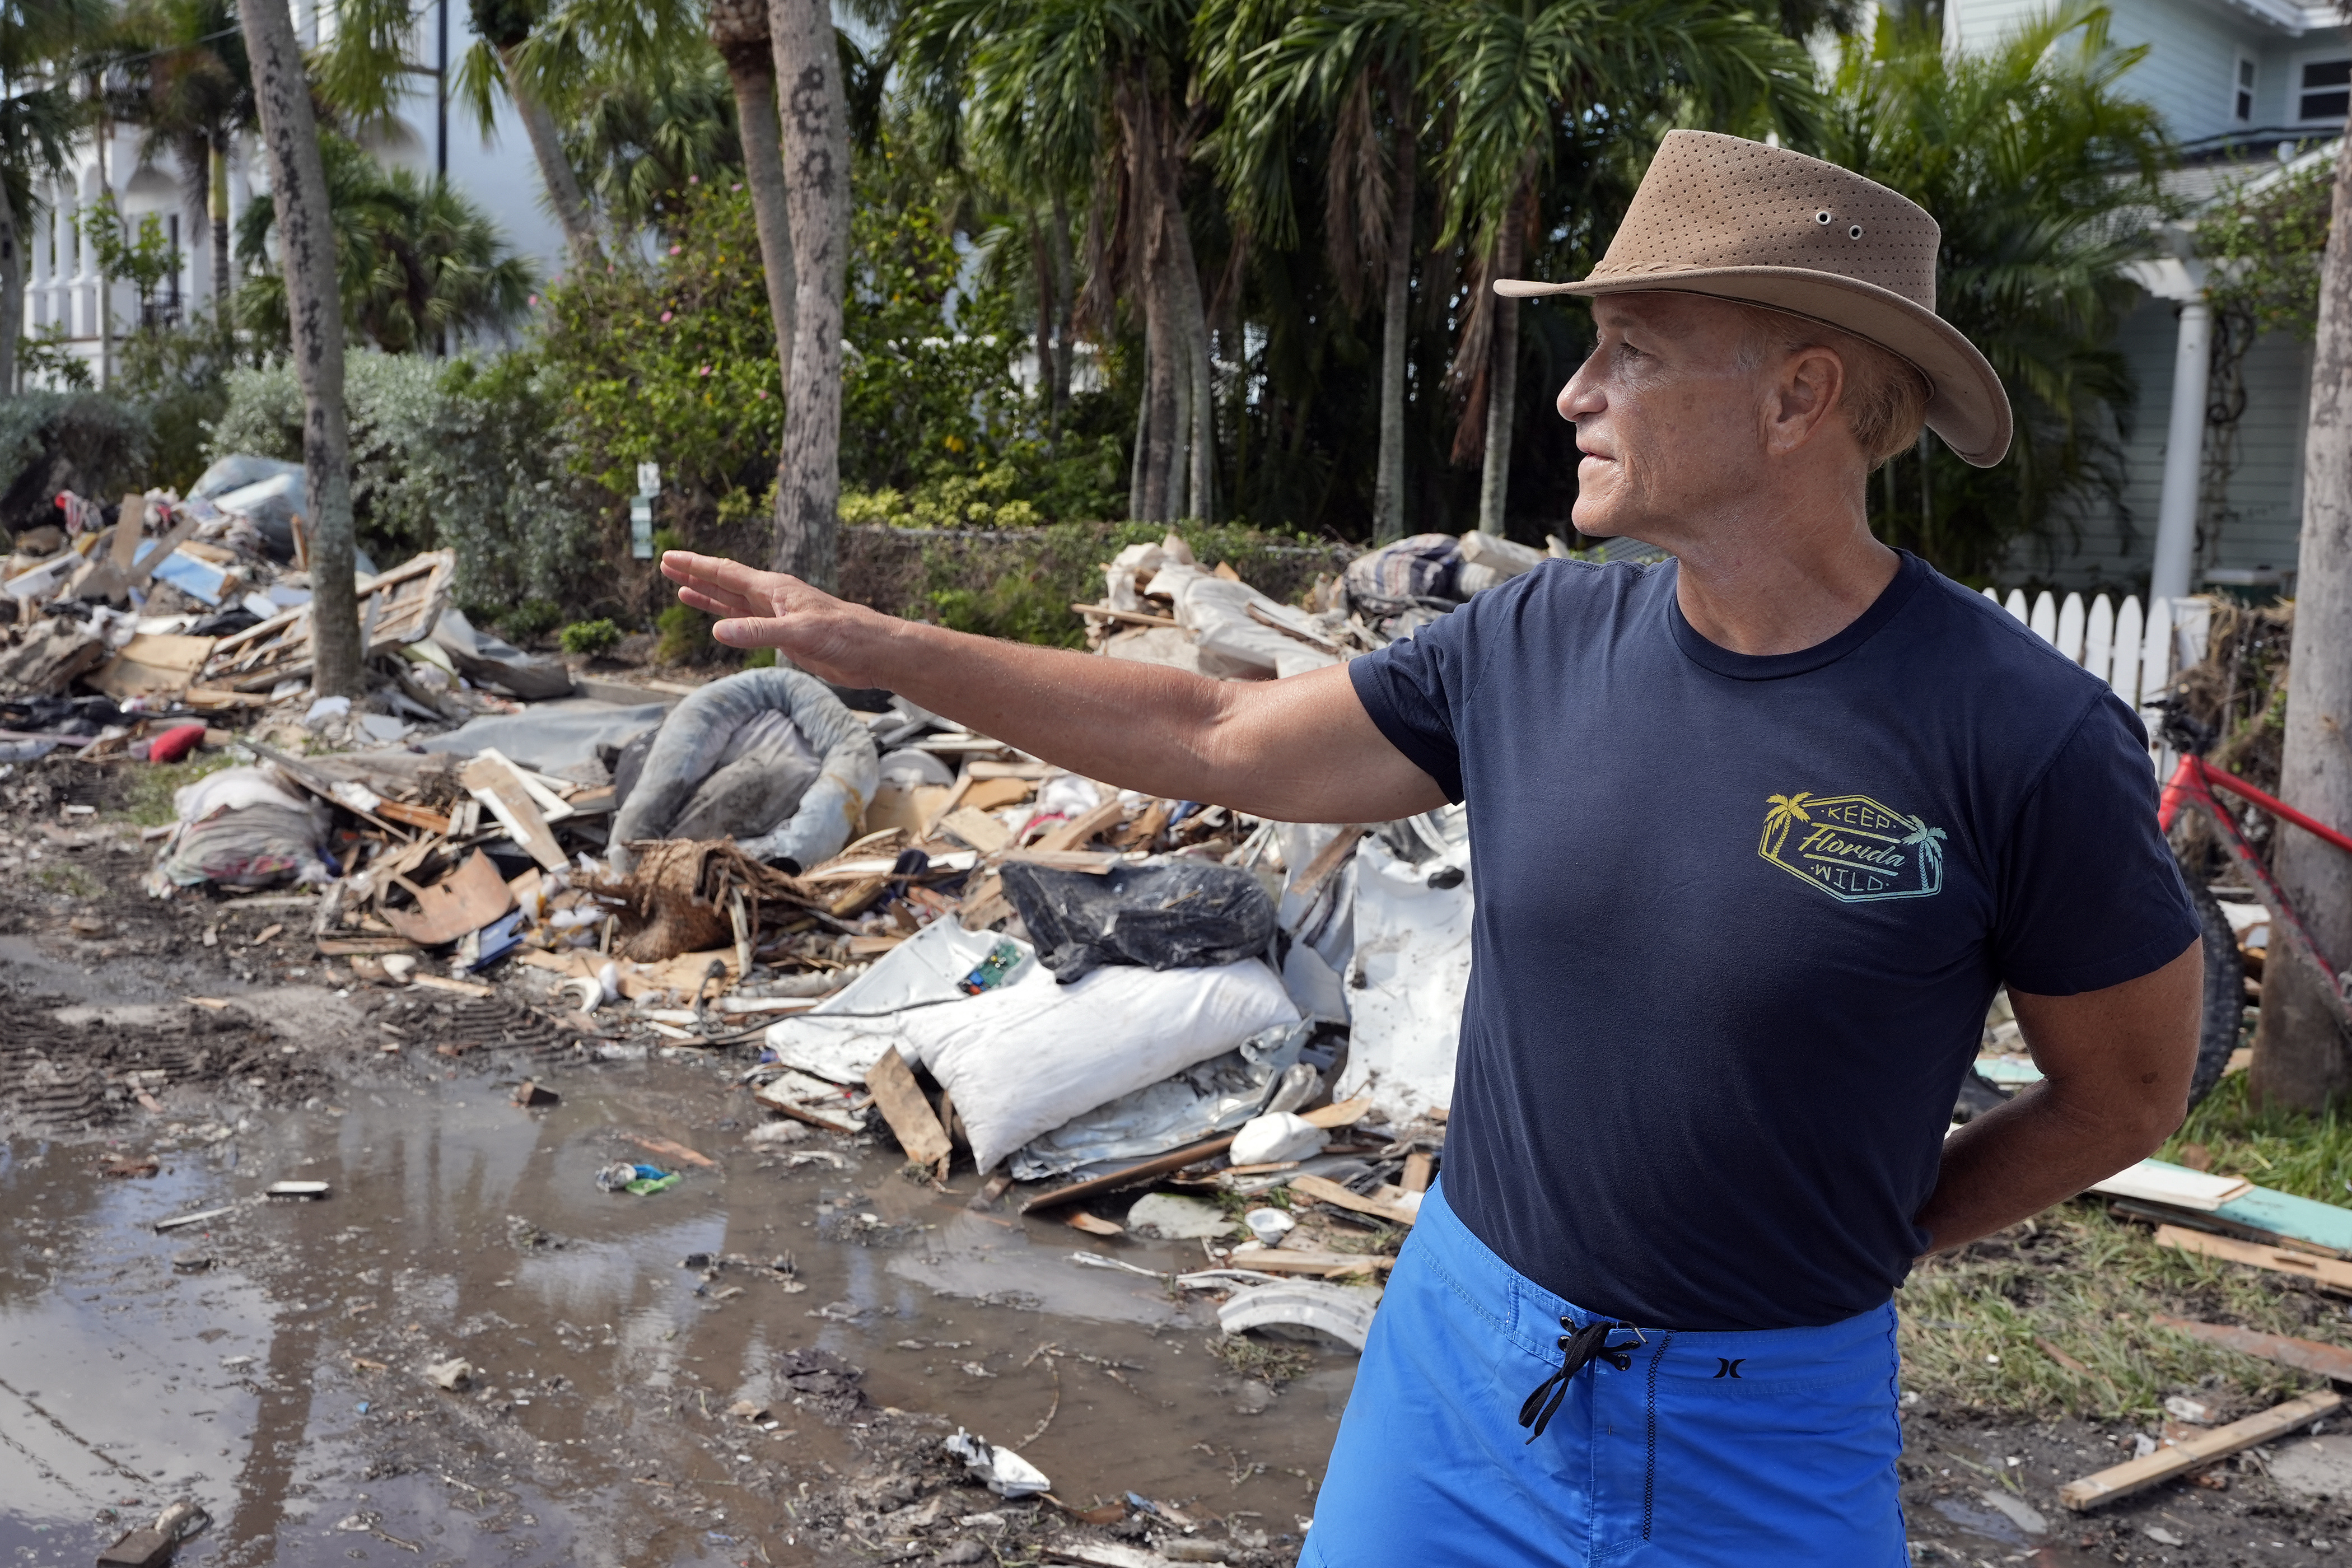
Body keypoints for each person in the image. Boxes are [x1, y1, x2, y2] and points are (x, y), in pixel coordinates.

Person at [662, 130, 2200, 1564]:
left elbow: (2126, 1087)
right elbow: (1213, 735)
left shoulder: (2018, 735)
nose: (1573, 395)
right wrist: (892, 649)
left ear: (1797, 397)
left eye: (1631, 353)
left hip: (1770, 1435)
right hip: (1458, 1376)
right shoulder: (1533, 641)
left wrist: (1882, 1229)